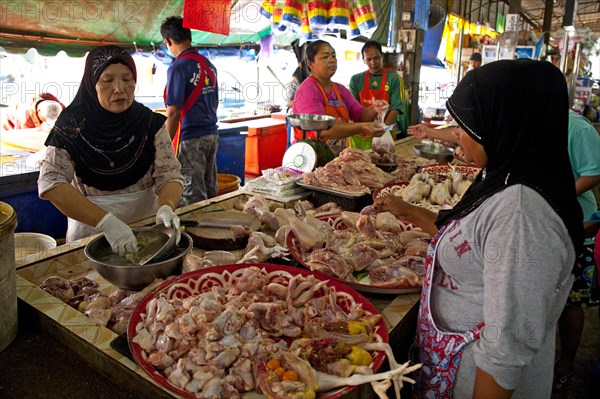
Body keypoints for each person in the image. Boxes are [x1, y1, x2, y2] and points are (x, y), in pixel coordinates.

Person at [375, 59, 583, 397]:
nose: (457, 133)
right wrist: (404, 209)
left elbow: (507, 345)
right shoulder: (504, 175)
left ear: (505, 122)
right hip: (452, 371)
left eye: (468, 124)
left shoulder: (522, 214)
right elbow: (464, 237)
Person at [38, 45, 183, 256]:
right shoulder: (70, 125)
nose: (119, 88)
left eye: (127, 79)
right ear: (92, 83)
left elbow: (169, 173)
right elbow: (52, 183)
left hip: (148, 229)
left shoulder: (149, 123)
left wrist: (167, 205)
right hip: (91, 233)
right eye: (107, 81)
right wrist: (107, 223)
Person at [553, 109, 600, 391]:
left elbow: (594, 172)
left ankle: (566, 363)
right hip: (544, 224)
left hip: (578, 225)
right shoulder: (530, 120)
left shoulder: (577, 128)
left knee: (572, 300)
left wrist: (558, 197)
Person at [161, 16, 219, 204]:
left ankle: (197, 234)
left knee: (192, 195)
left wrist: (166, 147)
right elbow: (215, 102)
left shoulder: (178, 67)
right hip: (212, 135)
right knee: (209, 189)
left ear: (168, 41)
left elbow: (173, 113)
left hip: (191, 139)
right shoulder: (209, 65)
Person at [292, 40, 386, 151]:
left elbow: (361, 116)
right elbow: (323, 130)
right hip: (310, 157)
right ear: (310, 64)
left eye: (333, 56)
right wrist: (362, 127)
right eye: (325, 57)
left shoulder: (340, 90)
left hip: (336, 157)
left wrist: (374, 108)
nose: (332, 60)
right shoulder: (308, 91)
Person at [349, 40, 407, 148]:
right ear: (363, 60)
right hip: (360, 136)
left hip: (384, 136)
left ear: (382, 56)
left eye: (376, 58)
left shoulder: (394, 78)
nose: (373, 63)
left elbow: (396, 109)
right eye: (368, 59)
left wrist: (382, 130)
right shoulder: (356, 80)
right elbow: (354, 112)